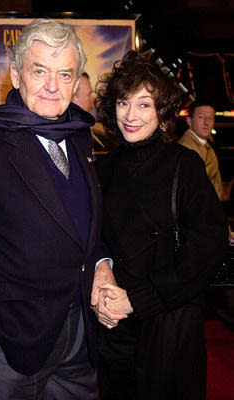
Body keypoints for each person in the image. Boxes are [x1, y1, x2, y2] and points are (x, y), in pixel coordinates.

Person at [0, 18, 117, 400]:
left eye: (65, 74)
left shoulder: (79, 134)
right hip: (14, 337)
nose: (53, 86)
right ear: (16, 75)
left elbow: (83, 228)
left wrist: (101, 266)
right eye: (40, 71)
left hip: (81, 330)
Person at [94, 50, 228, 400]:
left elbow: (207, 248)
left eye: (144, 105)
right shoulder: (103, 169)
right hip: (115, 328)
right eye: (123, 103)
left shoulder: (185, 166)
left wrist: (138, 300)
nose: (131, 115)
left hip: (167, 323)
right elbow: (93, 238)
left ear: (162, 112)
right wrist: (104, 290)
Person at [178, 101, 223, 199]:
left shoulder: (207, 141)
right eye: (201, 117)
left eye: (210, 118)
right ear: (189, 121)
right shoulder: (187, 148)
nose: (206, 123)